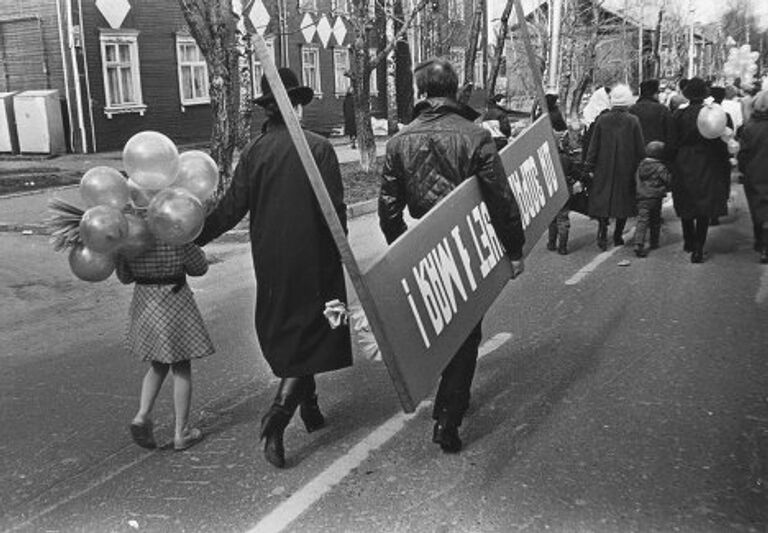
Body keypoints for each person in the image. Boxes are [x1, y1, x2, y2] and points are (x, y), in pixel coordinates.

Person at [195, 68, 352, 468]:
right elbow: (334, 211)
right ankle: (276, 420)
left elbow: (230, 209)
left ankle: (311, 409)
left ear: (270, 108)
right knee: (317, 334)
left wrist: (194, 236)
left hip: (272, 264)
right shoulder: (318, 148)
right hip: (316, 262)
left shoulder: (254, 153)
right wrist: (344, 256)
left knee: (295, 334)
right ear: (296, 106)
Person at [379, 58, 525, 453]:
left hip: (425, 244)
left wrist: (406, 249)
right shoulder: (476, 136)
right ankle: (449, 417)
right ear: (455, 88)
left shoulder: (399, 141)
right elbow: (501, 199)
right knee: (466, 331)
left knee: (440, 326)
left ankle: (446, 402)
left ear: (422, 90)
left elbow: (388, 210)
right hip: (470, 244)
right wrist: (514, 250)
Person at [117, 239, 214, 452]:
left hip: (146, 305)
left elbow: (124, 277)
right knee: (181, 367)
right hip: (175, 303)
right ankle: (182, 432)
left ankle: (142, 415)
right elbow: (200, 268)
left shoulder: (132, 235)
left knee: (157, 365)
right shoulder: (175, 234)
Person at [669, 77, 730, 263]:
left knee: (685, 200)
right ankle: (699, 247)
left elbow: (671, 142)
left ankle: (689, 239)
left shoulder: (678, 115)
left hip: (683, 161)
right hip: (707, 161)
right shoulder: (714, 113)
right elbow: (721, 141)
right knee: (704, 204)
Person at [584, 83, 645, 250]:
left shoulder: (602, 120)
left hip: (603, 166)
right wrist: (641, 165)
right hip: (626, 167)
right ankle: (618, 235)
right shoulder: (633, 120)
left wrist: (589, 166)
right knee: (624, 201)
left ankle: (602, 231)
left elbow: (594, 146)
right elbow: (640, 147)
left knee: (603, 199)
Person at [737, 90, 768, 263]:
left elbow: (743, 154)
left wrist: (743, 169)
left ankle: (762, 243)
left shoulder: (750, 127)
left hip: (755, 173)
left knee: (759, 209)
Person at [546, 130, 585, 255]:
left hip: (550, 192)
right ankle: (562, 246)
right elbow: (575, 173)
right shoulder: (565, 158)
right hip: (564, 191)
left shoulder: (546, 158)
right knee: (563, 219)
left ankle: (551, 242)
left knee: (552, 219)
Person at [633, 141, 672, 258]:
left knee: (642, 220)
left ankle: (638, 243)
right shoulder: (660, 167)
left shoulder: (641, 165)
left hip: (642, 197)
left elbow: (636, 178)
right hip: (655, 197)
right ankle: (654, 242)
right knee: (655, 220)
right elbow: (667, 180)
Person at [629, 79, 673, 155]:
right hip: (658, 155)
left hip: (636, 155)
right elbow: (670, 135)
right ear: (654, 93)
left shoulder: (631, 110)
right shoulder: (663, 110)